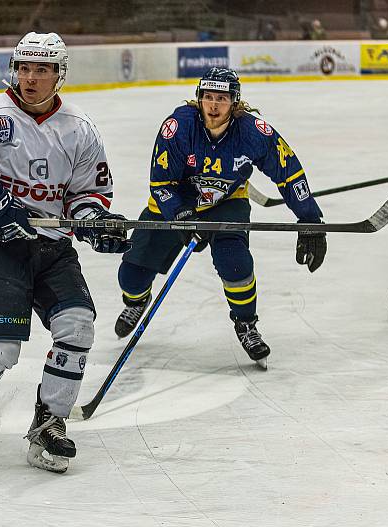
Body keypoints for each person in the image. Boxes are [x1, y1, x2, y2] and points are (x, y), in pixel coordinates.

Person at [0, 31, 130, 481]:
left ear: (60, 74)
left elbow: (86, 194)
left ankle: (48, 424)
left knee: (77, 325)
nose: (30, 78)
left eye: (42, 70)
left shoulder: (80, 128)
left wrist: (94, 224)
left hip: (49, 245)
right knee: (0, 345)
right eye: (25, 68)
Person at [113, 67, 326, 369]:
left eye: (222, 99)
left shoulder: (254, 132)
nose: (213, 106)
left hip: (228, 203)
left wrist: (310, 221)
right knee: (131, 276)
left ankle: (246, 323)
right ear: (199, 98)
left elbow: (289, 172)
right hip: (175, 205)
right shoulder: (178, 127)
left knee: (235, 261)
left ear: (235, 103)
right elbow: (161, 184)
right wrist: (182, 216)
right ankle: (136, 302)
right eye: (208, 97)